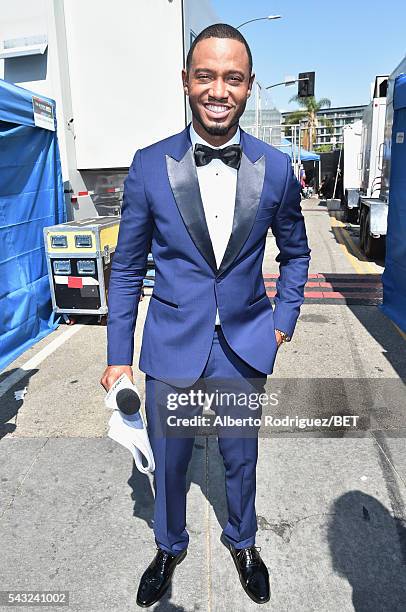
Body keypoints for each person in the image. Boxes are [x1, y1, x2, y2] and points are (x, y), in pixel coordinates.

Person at [101, 23, 310, 608]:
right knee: (168, 461)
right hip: (171, 344)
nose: (219, 89)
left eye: (233, 78)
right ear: (187, 82)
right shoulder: (148, 166)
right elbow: (125, 270)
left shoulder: (274, 167)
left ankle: (242, 541)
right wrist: (119, 356)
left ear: (249, 88)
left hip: (244, 344)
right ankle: (169, 544)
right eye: (207, 76)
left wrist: (282, 321)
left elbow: (296, 253)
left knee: (241, 457)